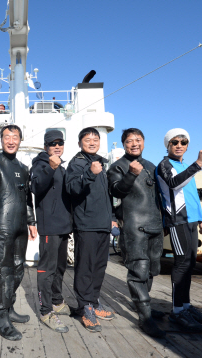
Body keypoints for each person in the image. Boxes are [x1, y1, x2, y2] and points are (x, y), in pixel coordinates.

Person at [107, 128, 165, 338]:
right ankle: (145, 317)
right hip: (134, 227)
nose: (134, 144)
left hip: (155, 226)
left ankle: (144, 306)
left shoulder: (151, 165)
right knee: (138, 271)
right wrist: (131, 174)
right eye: (129, 141)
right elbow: (117, 191)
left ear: (144, 142)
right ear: (123, 145)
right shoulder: (118, 167)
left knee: (152, 269)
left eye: (138, 140)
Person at [156, 128, 202, 332]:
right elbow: (173, 184)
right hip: (177, 220)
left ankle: (186, 307)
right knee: (181, 265)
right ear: (168, 145)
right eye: (175, 142)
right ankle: (177, 311)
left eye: (183, 142)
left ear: (187, 145)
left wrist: (201, 220)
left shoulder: (182, 165)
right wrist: (198, 163)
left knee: (190, 264)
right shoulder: (164, 165)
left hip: (190, 221)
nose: (179, 145)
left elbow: (192, 196)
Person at [0, 124, 37, 341]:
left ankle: (10, 307)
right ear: (1, 140)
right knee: (3, 272)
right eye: (7, 137)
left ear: (20, 140)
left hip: (20, 227)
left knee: (18, 269)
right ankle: (1, 317)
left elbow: (27, 198)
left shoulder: (24, 167)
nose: (11, 140)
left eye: (15, 137)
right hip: (2, 227)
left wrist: (32, 221)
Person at [65, 127, 116, 333]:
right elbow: (72, 189)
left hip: (103, 224)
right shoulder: (76, 163)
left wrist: (111, 218)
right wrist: (89, 174)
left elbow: (107, 196)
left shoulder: (101, 164)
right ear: (80, 143)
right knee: (85, 267)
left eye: (96, 139)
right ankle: (84, 306)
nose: (92, 142)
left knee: (99, 267)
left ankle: (93, 301)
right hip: (86, 223)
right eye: (88, 139)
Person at [30, 130, 72, 333]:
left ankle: (56, 301)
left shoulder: (62, 166)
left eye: (60, 142)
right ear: (45, 146)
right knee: (46, 270)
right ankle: (46, 311)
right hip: (49, 226)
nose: (57, 146)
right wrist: (50, 168)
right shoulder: (40, 164)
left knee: (60, 267)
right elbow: (36, 187)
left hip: (64, 225)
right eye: (52, 143)